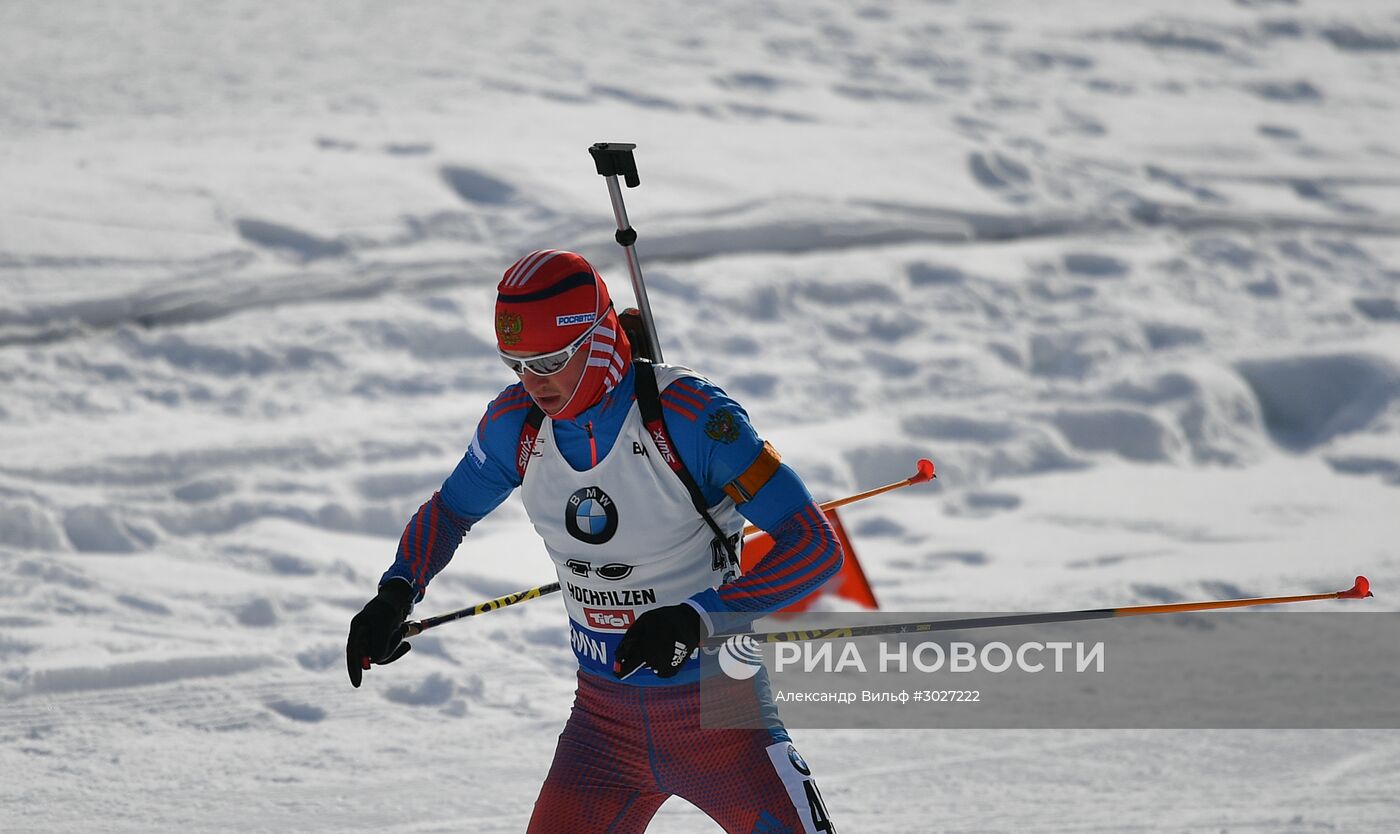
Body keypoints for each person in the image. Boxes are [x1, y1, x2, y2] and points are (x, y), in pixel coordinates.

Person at [347, 250, 843, 833]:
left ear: (601, 338)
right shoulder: (517, 426)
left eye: (553, 359)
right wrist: (396, 591)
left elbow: (813, 545)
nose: (535, 382)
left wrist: (698, 617)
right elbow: (451, 510)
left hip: (720, 714)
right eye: (517, 364)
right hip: (602, 729)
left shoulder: (689, 416)